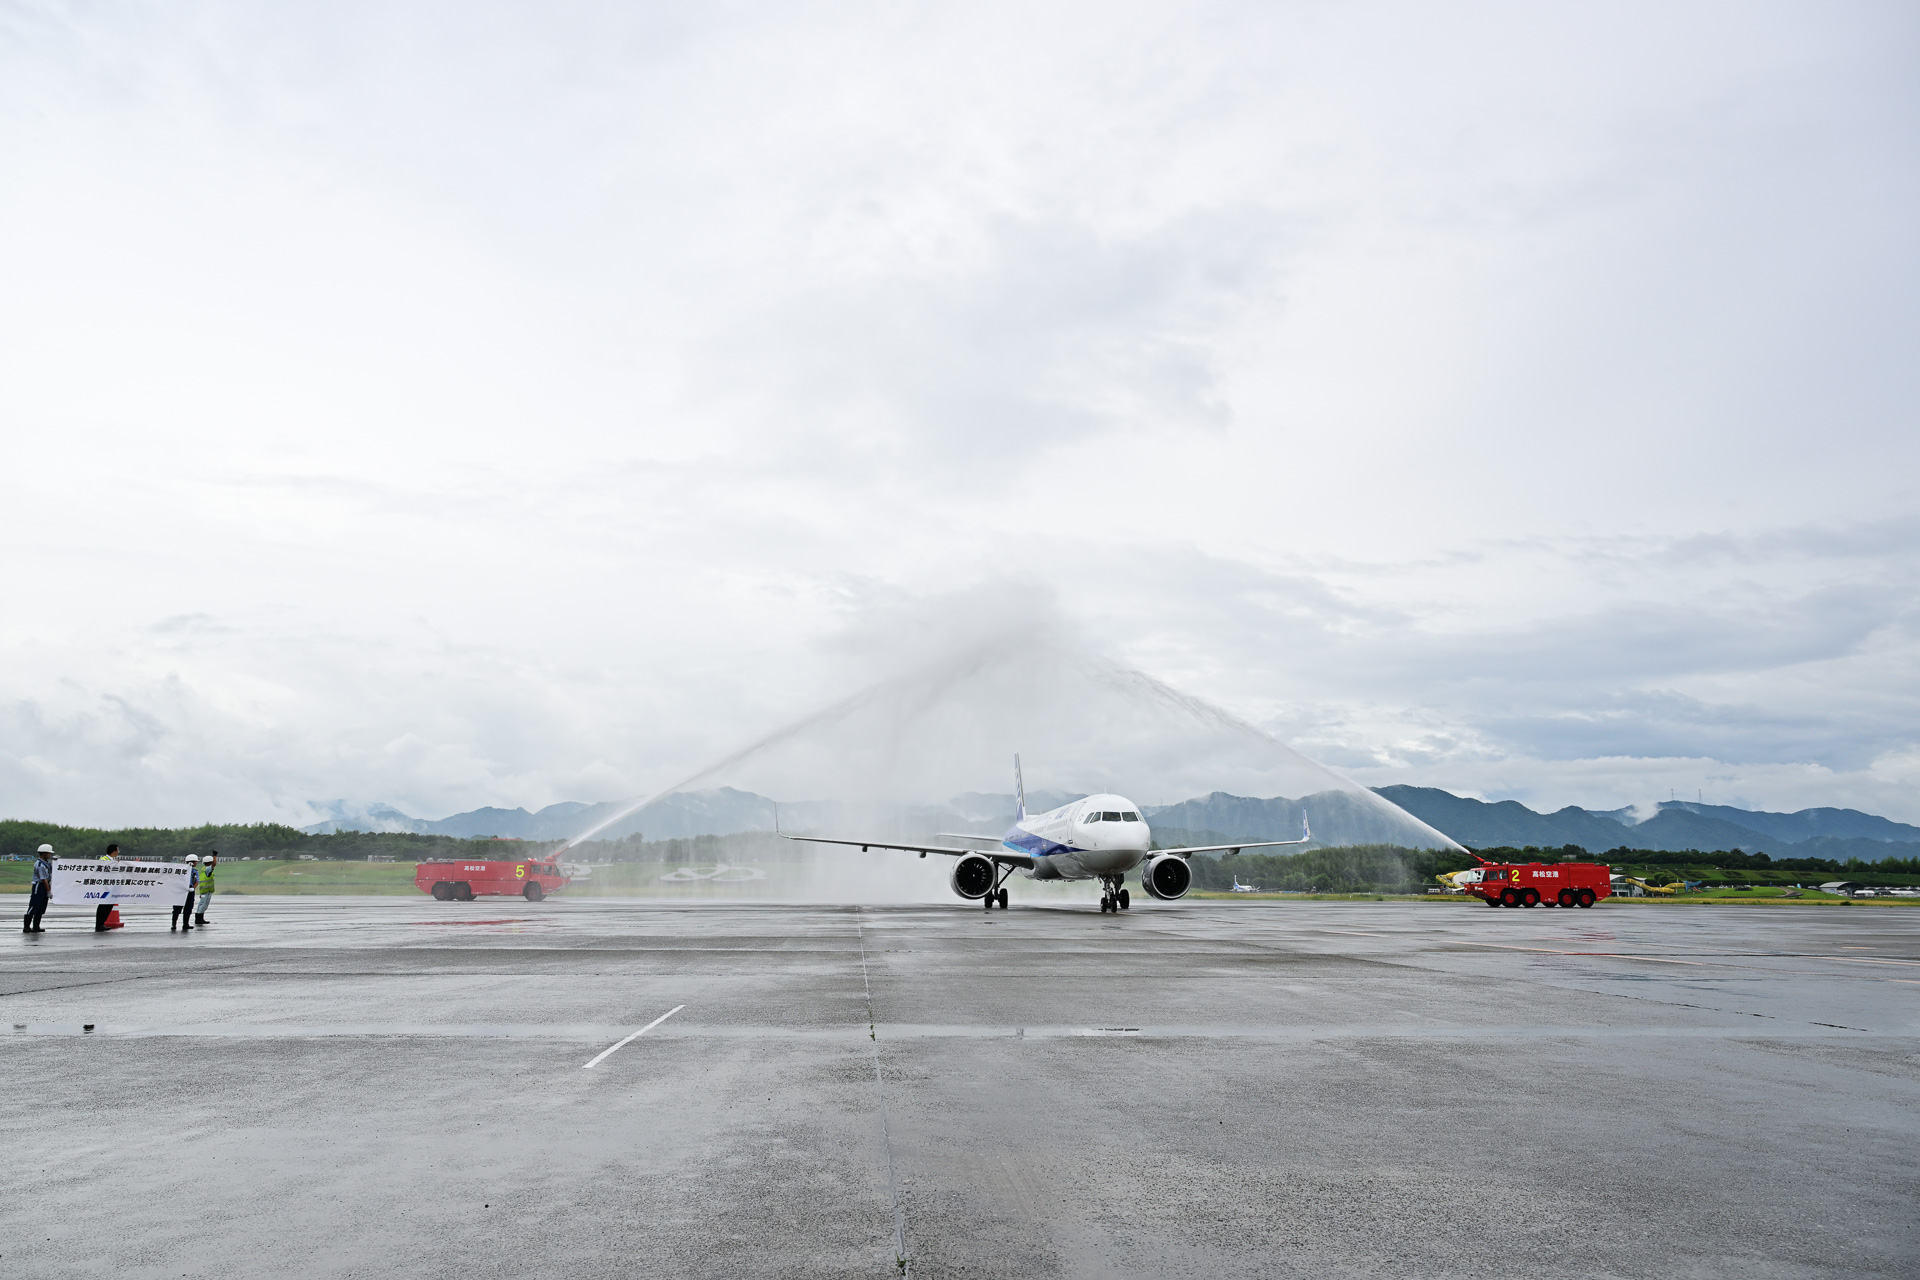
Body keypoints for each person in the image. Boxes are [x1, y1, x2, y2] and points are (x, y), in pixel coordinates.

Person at [23, 844, 52, 933]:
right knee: (34, 905)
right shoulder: (40, 865)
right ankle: (26, 927)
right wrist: (48, 891)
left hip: (45, 886)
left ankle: (36, 926)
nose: (50, 855)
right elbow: (44, 879)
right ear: (44, 853)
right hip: (39, 886)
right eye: (49, 853)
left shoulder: (46, 863)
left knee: (41, 907)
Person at [94, 843, 120, 932]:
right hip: (105, 887)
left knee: (109, 906)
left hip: (112, 887)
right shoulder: (104, 859)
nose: (118, 852)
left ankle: (102, 923)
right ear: (114, 851)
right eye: (117, 850)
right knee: (103, 906)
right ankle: (99, 925)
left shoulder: (114, 860)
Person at [172, 855, 200, 931]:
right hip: (180, 890)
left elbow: (197, 881)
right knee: (177, 908)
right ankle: (174, 924)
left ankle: (186, 924)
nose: (196, 863)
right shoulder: (181, 870)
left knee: (188, 908)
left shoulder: (195, 871)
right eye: (195, 861)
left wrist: (193, 888)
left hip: (190, 890)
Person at [194, 850, 217, 927]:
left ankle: (200, 918)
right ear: (209, 862)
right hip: (205, 890)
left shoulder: (204, 869)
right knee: (203, 904)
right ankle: (198, 919)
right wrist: (215, 856)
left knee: (204, 905)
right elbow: (214, 864)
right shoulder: (207, 869)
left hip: (206, 890)